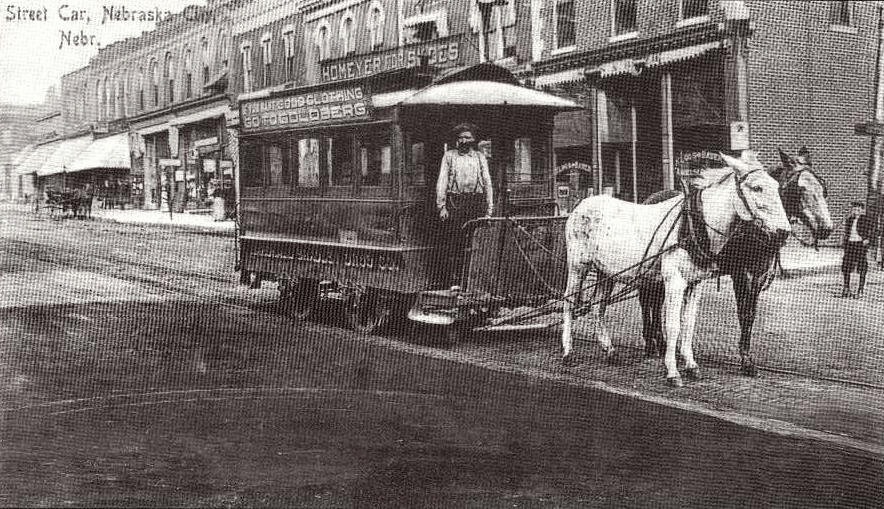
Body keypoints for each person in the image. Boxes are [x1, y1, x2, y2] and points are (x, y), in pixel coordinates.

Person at [435, 123, 494, 288]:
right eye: (461, 137)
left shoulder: (479, 157)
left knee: (477, 241)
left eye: (467, 137)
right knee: (456, 242)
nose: (464, 140)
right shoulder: (449, 156)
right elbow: (442, 181)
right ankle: (455, 281)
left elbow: (487, 182)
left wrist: (489, 209)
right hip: (456, 203)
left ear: (473, 139)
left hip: (476, 202)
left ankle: (476, 282)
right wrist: (442, 206)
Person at [841, 201, 874, 298]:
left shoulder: (865, 219)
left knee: (862, 267)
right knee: (846, 266)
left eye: (858, 209)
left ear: (862, 210)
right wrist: (844, 241)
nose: (856, 211)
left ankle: (860, 289)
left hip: (860, 244)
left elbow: (873, 231)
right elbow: (846, 231)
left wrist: (867, 239)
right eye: (854, 209)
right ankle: (846, 288)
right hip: (850, 244)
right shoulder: (849, 219)